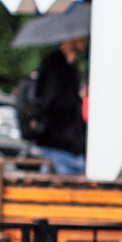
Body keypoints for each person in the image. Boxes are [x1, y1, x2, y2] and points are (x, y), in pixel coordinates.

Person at [20, 35, 87, 176]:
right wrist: (77, 97)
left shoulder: (71, 66)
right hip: (57, 145)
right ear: (71, 37)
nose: (85, 41)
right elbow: (51, 103)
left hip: (68, 146)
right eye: (82, 37)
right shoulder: (55, 65)